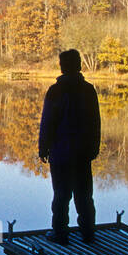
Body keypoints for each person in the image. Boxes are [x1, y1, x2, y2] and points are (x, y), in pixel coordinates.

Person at [37, 49, 101, 244]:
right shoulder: (88, 90)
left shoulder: (55, 91)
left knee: (61, 196)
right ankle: (88, 233)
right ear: (79, 65)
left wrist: (43, 148)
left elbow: (47, 122)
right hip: (82, 152)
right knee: (84, 196)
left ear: (62, 67)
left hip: (60, 152)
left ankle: (60, 233)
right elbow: (95, 123)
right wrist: (94, 148)